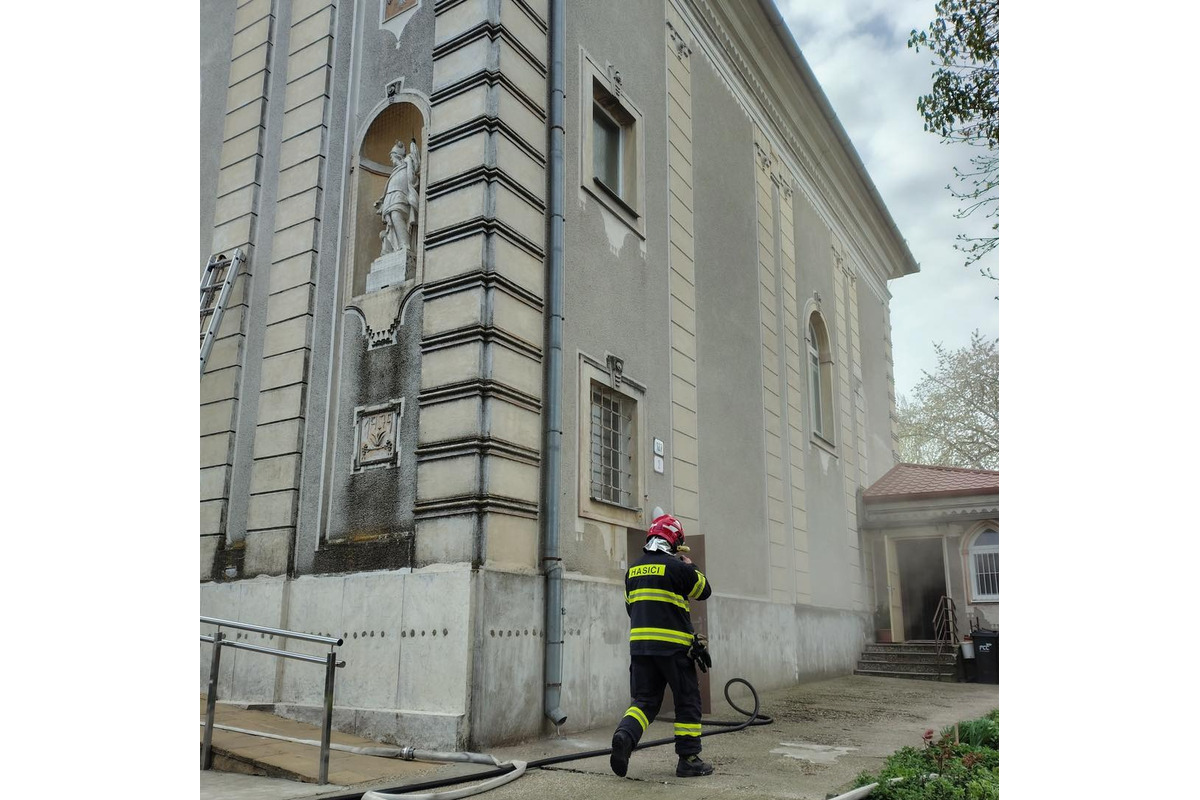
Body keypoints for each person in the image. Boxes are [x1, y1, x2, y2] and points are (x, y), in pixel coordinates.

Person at [610, 513, 714, 778]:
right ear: (674, 540)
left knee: (644, 701)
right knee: (687, 700)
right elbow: (704, 590)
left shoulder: (632, 571)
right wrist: (692, 566)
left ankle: (624, 737)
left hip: (641, 649)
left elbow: (629, 607)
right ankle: (689, 759)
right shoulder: (678, 568)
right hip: (675, 650)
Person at [375, 139, 420, 256]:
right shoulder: (395, 172)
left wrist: (410, 161)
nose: (390, 159)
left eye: (392, 157)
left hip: (401, 196)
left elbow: (412, 179)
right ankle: (395, 247)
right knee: (392, 221)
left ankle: (405, 245)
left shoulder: (406, 163)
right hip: (391, 198)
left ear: (397, 156)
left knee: (396, 216)